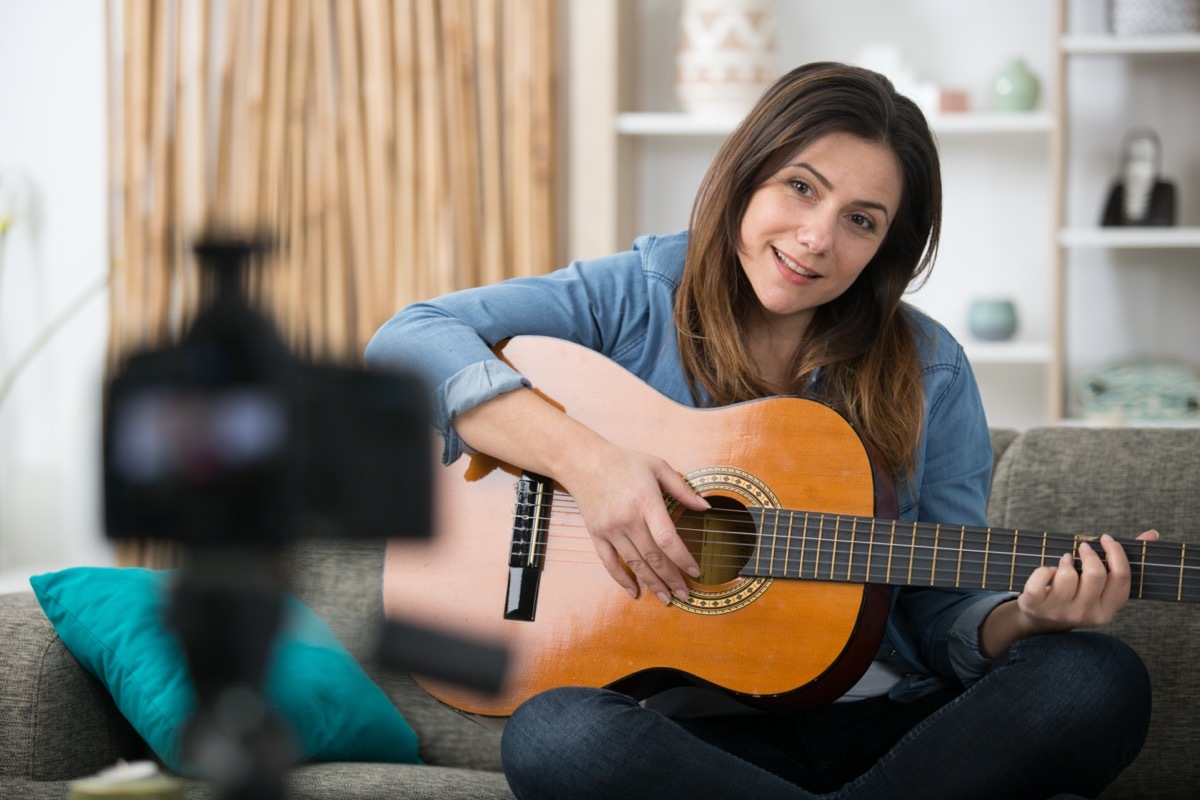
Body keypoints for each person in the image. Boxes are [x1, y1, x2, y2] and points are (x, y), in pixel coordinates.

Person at [365, 62, 1153, 800]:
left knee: (1094, 676)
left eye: (861, 221)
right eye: (800, 187)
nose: (816, 238)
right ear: (746, 175)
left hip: (898, 735)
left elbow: (945, 614)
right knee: (556, 735)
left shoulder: (930, 367)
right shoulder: (639, 294)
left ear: (886, 248)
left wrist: (1026, 618)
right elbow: (407, 340)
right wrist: (590, 465)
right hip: (696, 747)